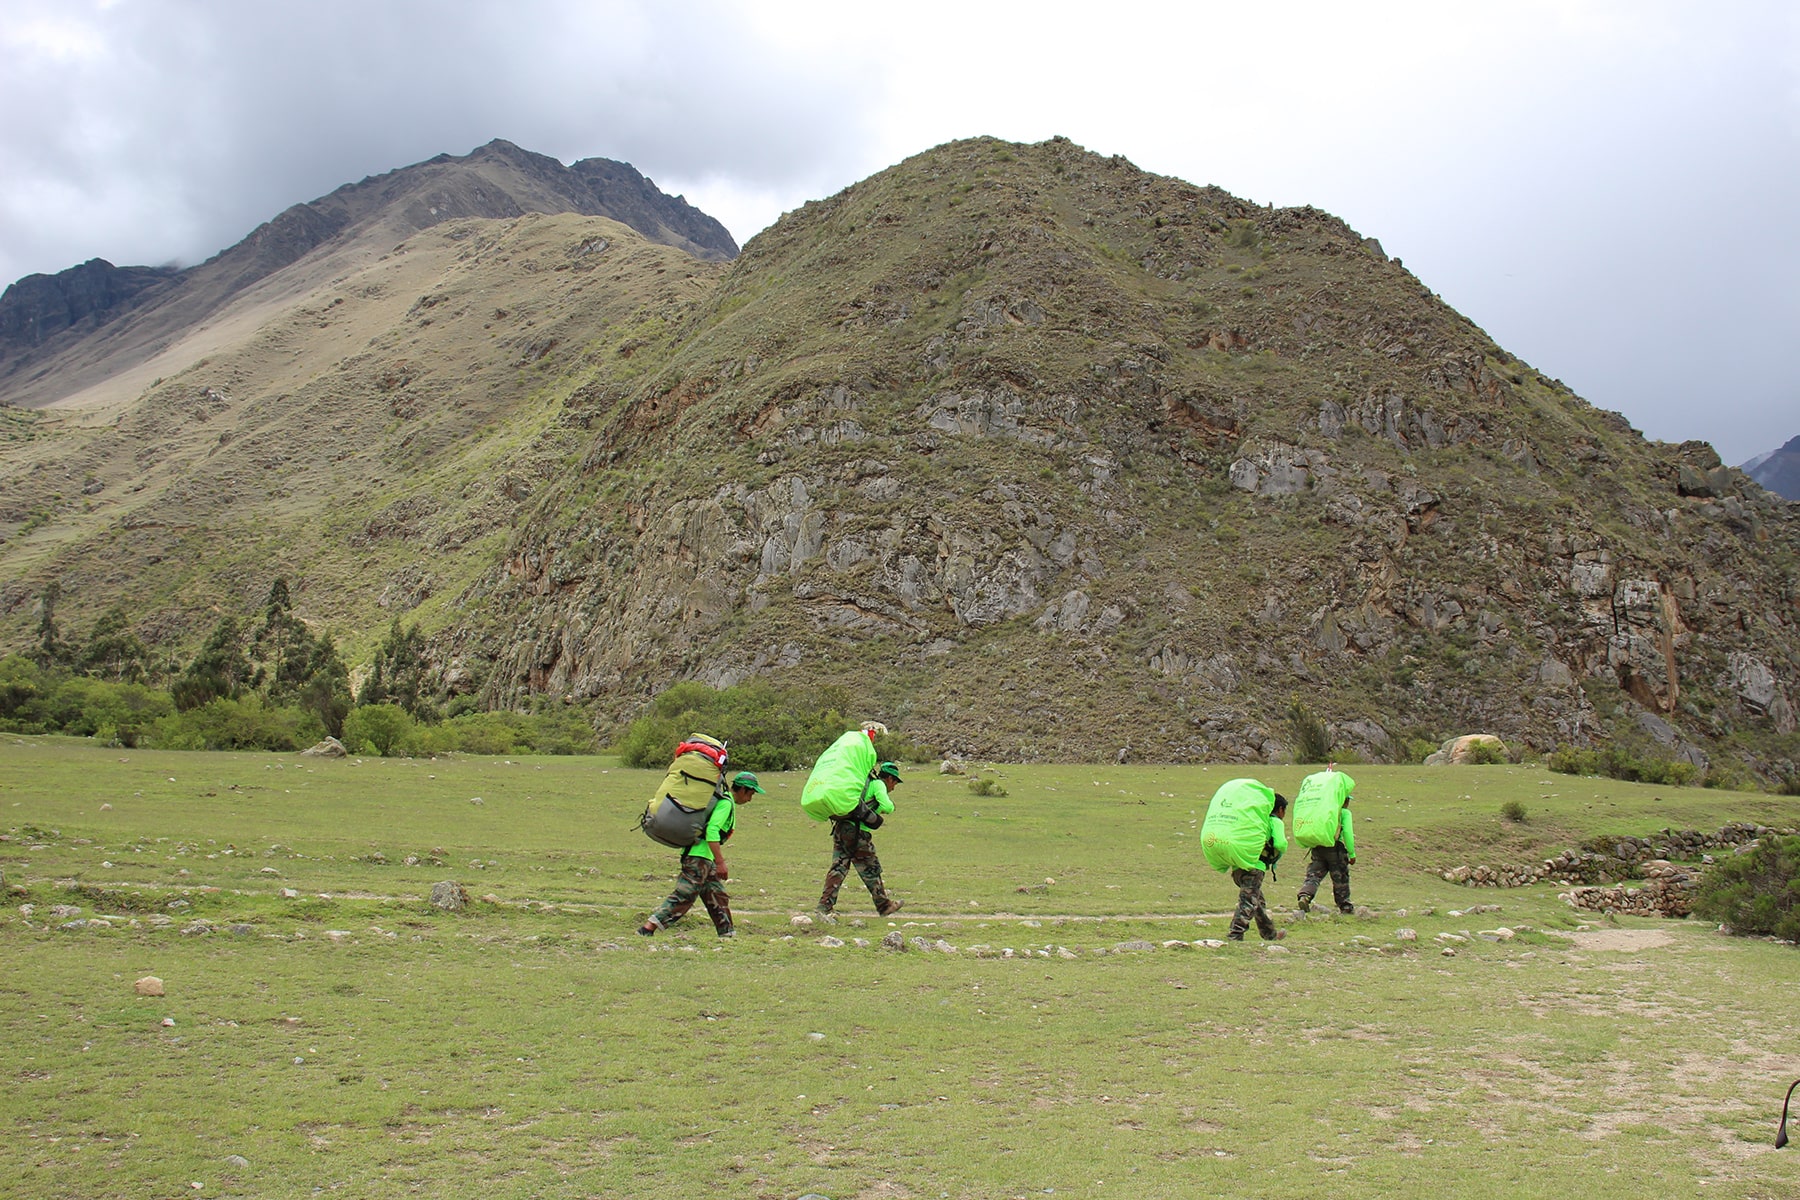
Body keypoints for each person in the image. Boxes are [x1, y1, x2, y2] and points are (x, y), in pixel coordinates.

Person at [639, 770, 764, 937]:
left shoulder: (723, 799)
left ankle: (727, 934)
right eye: (751, 794)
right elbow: (712, 830)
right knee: (685, 894)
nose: (750, 799)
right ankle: (647, 928)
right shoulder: (726, 803)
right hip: (699, 858)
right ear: (743, 790)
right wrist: (720, 862)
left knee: (717, 895)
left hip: (705, 858)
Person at [802, 725, 904, 920]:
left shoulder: (860, 782)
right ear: (889, 778)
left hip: (841, 827)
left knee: (839, 866)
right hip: (858, 832)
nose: (894, 786)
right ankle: (884, 906)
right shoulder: (877, 785)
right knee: (871, 867)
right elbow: (888, 806)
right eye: (895, 782)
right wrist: (884, 808)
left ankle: (824, 907)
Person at [1199, 777, 1288, 941]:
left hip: (1237, 865)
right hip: (1254, 866)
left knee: (1257, 901)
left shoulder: (1252, 821)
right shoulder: (1273, 821)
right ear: (1280, 809)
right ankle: (1235, 935)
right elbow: (1281, 843)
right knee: (1248, 902)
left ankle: (1270, 934)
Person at [1292, 762, 1356, 914]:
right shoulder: (1343, 813)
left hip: (1317, 846)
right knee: (1340, 879)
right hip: (1335, 849)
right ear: (1343, 800)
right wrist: (1352, 854)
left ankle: (1305, 896)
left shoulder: (1322, 811)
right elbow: (1347, 833)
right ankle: (1345, 907)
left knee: (1314, 875)